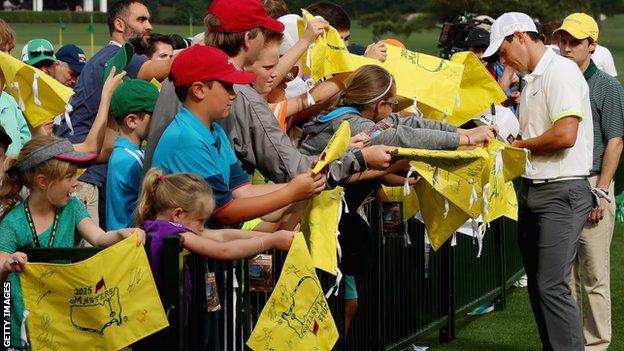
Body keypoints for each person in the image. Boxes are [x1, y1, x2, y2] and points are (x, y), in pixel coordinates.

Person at [298, 64, 497, 335]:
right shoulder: (350, 123)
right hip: (314, 220)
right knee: (330, 301)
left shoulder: (349, 114)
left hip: (332, 218)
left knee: (344, 295)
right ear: (378, 105)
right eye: (391, 104)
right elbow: (400, 135)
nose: (394, 110)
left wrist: (461, 134)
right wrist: (462, 139)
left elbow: (408, 123)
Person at [483, 12, 594, 351]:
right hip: (537, 189)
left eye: (502, 52)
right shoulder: (533, 77)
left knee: (551, 286)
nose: (503, 61)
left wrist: (516, 145)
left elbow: (565, 135)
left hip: (561, 190)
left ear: (519, 36)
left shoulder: (559, 71)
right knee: (540, 287)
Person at [153, 45, 324, 227]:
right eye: (227, 87)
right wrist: (291, 192)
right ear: (199, 90)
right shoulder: (188, 141)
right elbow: (225, 212)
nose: (234, 95)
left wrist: (303, 184)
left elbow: (242, 191)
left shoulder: (214, 130)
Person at [0, 135, 146, 349]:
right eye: (69, 177)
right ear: (42, 181)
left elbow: (98, 237)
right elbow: (1, 258)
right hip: (23, 330)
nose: (76, 184)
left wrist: (121, 234)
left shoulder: (72, 208)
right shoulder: (14, 222)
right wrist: (7, 262)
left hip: (62, 322)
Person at [56, 0, 170, 228]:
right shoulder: (117, 57)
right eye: (141, 19)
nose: (149, 25)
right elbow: (162, 68)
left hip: (83, 171)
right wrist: (210, 51)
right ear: (119, 24)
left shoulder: (111, 56)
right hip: (84, 175)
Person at [555, 13, 624, 350]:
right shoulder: (554, 81)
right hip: (559, 183)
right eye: (563, 41)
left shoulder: (608, 86)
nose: (566, 48)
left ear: (591, 46)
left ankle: (597, 346)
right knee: (562, 278)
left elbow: (616, 141)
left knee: (594, 276)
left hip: (594, 180)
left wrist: (601, 190)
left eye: (574, 42)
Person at [105, 79, 159, 231]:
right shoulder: (129, 159)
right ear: (132, 121)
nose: (160, 120)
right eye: (154, 115)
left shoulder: (126, 153)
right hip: (130, 242)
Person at [305, 1, 387, 61]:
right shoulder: (301, 64)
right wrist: (367, 62)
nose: (344, 46)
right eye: (337, 39)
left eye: (346, 39)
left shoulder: (356, 52)